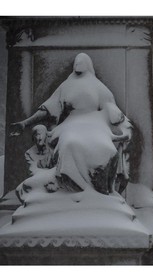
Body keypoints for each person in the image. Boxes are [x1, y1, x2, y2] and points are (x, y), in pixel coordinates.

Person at [10, 53, 135, 196]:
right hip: (71, 127)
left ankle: (101, 191)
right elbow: (47, 109)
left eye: (81, 62)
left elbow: (113, 111)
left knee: (107, 149)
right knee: (69, 144)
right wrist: (25, 123)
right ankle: (74, 186)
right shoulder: (66, 86)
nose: (78, 65)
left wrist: (125, 127)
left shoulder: (98, 87)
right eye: (77, 62)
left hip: (96, 127)